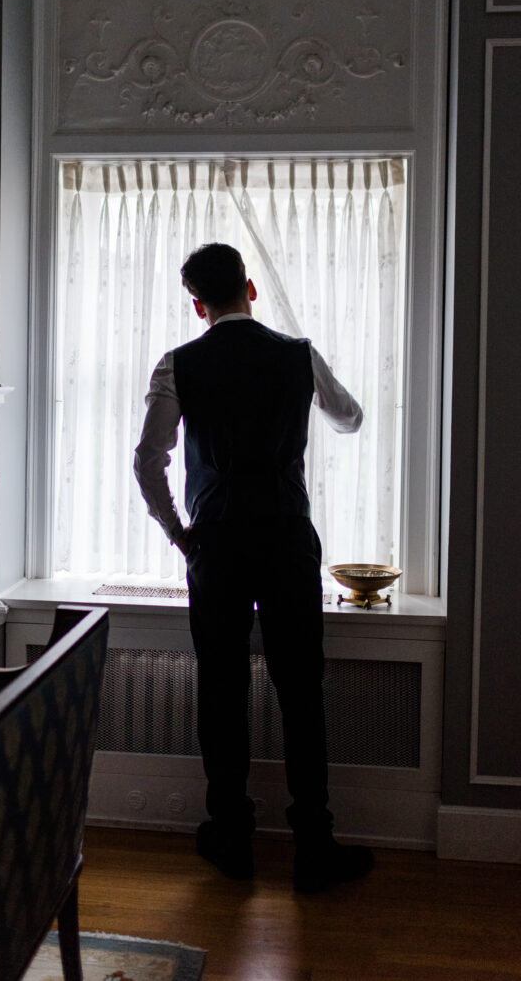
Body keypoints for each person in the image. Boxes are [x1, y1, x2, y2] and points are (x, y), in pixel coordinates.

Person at [133, 242, 374, 892]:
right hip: (288, 538)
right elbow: (350, 417)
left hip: (217, 542)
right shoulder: (295, 357)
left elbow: (146, 461)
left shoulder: (176, 365)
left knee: (221, 688)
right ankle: (314, 848)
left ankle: (231, 837)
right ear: (251, 289)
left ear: (197, 304)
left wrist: (181, 535)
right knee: (301, 693)